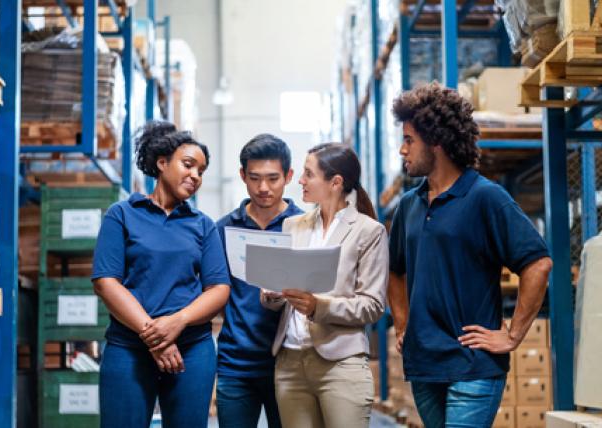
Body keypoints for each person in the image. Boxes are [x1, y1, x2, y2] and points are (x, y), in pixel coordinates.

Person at [387, 82, 553, 428]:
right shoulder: (408, 206)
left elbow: (537, 263)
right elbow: (395, 270)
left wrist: (512, 335)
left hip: (473, 364)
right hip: (425, 366)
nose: (403, 150)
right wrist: (402, 324)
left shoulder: (485, 197)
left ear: (436, 142)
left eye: (409, 140)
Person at [91, 121, 231, 428]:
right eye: (189, 165)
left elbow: (219, 289)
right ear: (162, 162)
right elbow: (105, 281)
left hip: (191, 351)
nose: (195, 176)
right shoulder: (122, 215)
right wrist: (156, 338)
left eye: (201, 171)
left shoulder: (203, 225)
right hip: (129, 348)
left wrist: (178, 322)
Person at [261, 143, 389, 428]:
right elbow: (282, 289)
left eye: (308, 174)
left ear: (335, 182)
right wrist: (272, 293)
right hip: (289, 363)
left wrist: (319, 306)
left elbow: (372, 305)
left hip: (340, 363)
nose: (300, 180)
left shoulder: (369, 231)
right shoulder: (292, 226)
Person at [215, 134, 303, 428]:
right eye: (254, 178)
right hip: (235, 364)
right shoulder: (224, 229)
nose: (263, 188)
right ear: (242, 176)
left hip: (291, 364)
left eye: (273, 178)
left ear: (289, 176)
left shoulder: (304, 228)